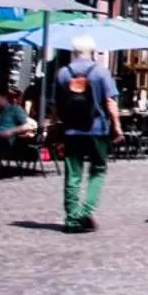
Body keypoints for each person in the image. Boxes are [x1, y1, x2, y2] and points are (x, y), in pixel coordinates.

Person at [54, 35, 123, 233]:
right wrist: (117, 126)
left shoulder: (62, 74)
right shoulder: (101, 72)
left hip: (71, 130)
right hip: (97, 129)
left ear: (72, 52)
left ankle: (72, 217)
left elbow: (56, 105)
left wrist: (58, 125)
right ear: (92, 52)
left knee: (73, 174)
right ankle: (85, 211)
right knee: (98, 170)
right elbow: (110, 102)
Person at [0, 92, 36, 171]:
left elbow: (28, 125)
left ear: (4, 98)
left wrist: (11, 131)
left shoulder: (14, 109)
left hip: (9, 139)